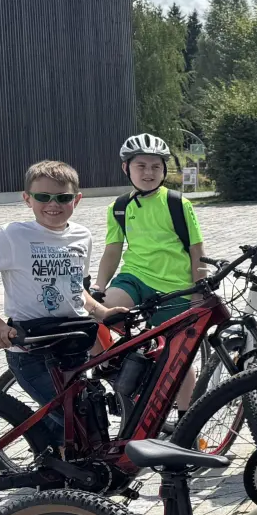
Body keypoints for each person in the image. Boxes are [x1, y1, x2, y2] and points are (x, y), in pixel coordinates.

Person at [0, 160, 125, 446]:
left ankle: (61, 477)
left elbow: (74, 290)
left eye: (63, 198)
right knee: (73, 418)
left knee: (80, 419)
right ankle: (49, 475)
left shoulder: (82, 236)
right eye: (43, 197)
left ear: (76, 199)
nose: (53, 204)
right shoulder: (11, 236)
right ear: (27, 198)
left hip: (73, 346)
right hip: (32, 350)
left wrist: (103, 312)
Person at [94, 133, 207, 417]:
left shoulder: (177, 203)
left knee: (177, 359)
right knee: (96, 312)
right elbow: (113, 250)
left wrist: (198, 290)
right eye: (141, 166)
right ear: (126, 168)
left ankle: (186, 422)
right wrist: (98, 285)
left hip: (175, 288)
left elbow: (197, 249)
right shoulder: (119, 207)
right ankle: (110, 366)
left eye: (156, 166)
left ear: (164, 170)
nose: (149, 172)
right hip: (134, 278)